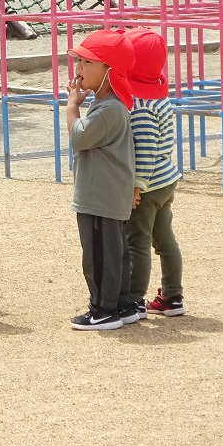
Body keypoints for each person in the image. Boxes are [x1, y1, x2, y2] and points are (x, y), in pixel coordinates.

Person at [65, 29, 137, 331]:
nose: (79, 68)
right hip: (108, 194)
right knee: (115, 253)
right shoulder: (110, 105)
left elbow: (79, 137)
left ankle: (103, 309)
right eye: (79, 61)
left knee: (98, 256)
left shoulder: (108, 109)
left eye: (87, 62)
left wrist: (72, 106)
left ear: (109, 70)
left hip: (99, 197)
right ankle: (123, 304)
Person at [121, 27, 185, 318]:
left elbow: (145, 151)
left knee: (138, 241)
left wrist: (136, 186)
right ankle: (172, 295)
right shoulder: (159, 97)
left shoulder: (141, 107)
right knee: (164, 239)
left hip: (147, 185)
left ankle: (134, 298)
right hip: (165, 179)